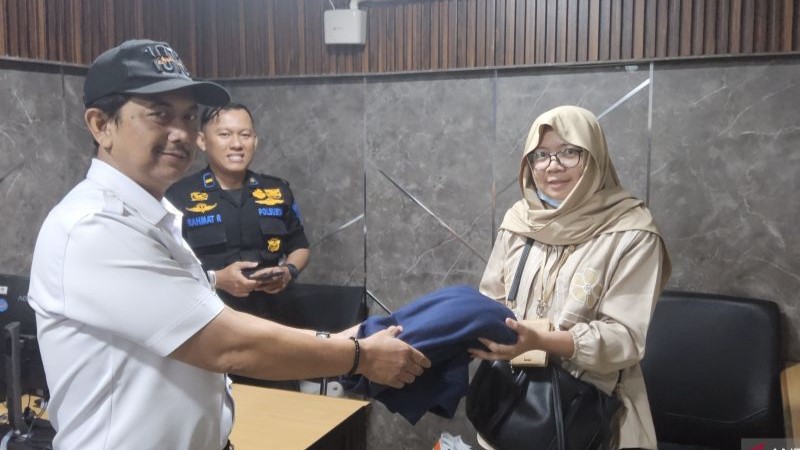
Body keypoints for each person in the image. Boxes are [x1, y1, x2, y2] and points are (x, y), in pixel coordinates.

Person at [27, 39, 430, 450]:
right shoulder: (93, 227)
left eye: (189, 116)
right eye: (160, 115)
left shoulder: (159, 217)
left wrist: (346, 337)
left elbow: (286, 257)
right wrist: (360, 355)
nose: (180, 133)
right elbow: (227, 343)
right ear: (101, 125)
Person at [469, 106, 671, 449]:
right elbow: (492, 299)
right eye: (541, 155)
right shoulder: (519, 222)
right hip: (509, 407)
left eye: (569, 152)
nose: (553, 166)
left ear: (594, 155)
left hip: (589, 419)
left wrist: (542, 341)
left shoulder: (632, 232)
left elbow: (624, 339)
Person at [166, 103, 308, 308]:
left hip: (273, 311)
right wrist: (216, 279)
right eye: (225, 134)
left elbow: (300, 246)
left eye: (245, 135)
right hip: (207, 311)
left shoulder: (277, 191)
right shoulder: (178, 196)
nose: (237, 144)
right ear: (202, 141)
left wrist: (289, 271)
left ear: (255, 141)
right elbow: (165, 264)